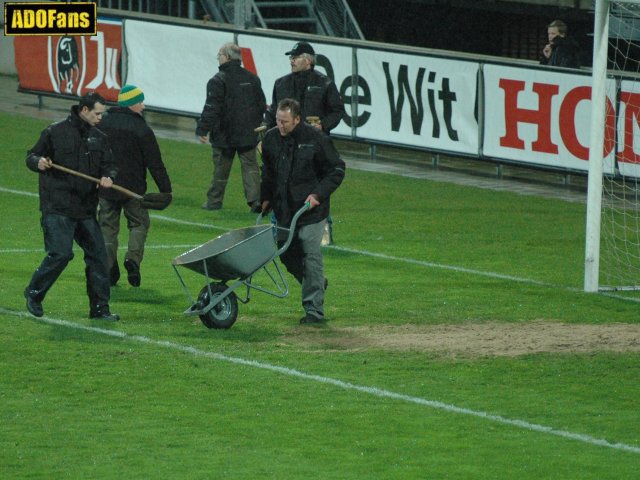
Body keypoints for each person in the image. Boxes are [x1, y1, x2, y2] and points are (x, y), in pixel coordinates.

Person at [24, 92, 120, 321]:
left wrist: (108, 176)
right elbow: (31, 156)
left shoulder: (100, 138)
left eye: (102, 114)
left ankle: (99, 309)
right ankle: (34, 293)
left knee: (98, 257)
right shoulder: (54, 132)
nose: (100, 118)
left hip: (85, 209)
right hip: (58, 206)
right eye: (97, 113)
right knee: (61, 254)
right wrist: (39, 162)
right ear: (84, 110)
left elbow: (110, 165)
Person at [260, 98, 346, 324]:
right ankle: (315, 282)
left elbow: (336, 170)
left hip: (311, 211)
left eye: (285, 122)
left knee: (310, 253)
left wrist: (317, 195)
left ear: (297, 119)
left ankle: (314, 310)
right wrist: (265, 197)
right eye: (278, 121)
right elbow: (267, 172)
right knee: (285, 253)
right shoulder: (270, 139)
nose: (280, 126)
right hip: (284, 210)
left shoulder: (316, 139)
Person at [263, 41, 345, 244]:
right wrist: (266, 132)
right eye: (291, 57)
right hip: (284, 143)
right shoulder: (281, 83)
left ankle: (324, 231)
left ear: (308, 60)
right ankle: (279, 228)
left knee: (316, 184)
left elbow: (337, 110)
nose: (291, 60)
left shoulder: (324, 83)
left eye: (295, 57)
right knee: (282, 182)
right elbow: (273, 112)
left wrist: (323, 126)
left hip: (313, 145)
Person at [98, 85, 172, 288]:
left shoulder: (102, 124)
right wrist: (166, 189)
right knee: (139, 224)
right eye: (140, 101)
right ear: (131, 104)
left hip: (106, 186)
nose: (143, 105)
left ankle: (109, 266)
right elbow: (155, 163)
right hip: (133, 189)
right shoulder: (141, 128)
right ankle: (132, 259)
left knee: (107, 228)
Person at [196, 42, 266, 213]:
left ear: (226, 57)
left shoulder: (218, 80)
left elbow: (212, 107)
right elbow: (261, 105)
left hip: (224, 134)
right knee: (250, 168)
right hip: (248, 133)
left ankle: (214, 201)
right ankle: (256, 201)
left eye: (219, 55)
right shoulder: (252, 78)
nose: (218, 58)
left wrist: (202, 129)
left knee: (221, 170)